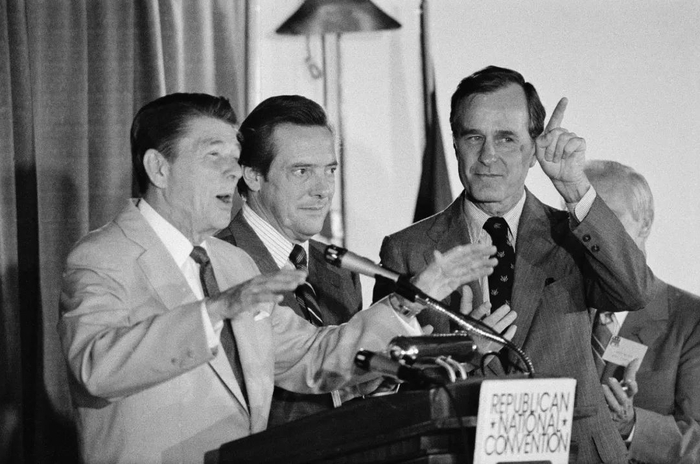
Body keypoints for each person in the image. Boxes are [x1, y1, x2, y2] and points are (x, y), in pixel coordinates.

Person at [58, 92, 498, 464]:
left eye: (234, 158)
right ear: (159, 168)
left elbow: (312, 355)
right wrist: (215, 311)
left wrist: (408, 300)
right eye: (214, 157)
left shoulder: (231, 263)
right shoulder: (102, 256)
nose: (233, 172)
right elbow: (96, 366)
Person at [373, 66, 658, 463]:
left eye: (506, 138)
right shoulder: (408, 250)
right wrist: (463, 350)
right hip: (460, 452)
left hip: (577, 451)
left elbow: (634, 291)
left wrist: (575, 187)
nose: (488, 156)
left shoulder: (572, 235)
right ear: (455, 144)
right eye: (474, 137)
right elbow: (386, 378)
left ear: (533, 148)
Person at [216, 95, 365, 425]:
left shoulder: (340, 269)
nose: (323, 190)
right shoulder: (217, 263)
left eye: (330, 171)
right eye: (302, 171)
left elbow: (344, 383)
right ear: (253, 176)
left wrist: (371, 382)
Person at [585, 160, 700, 464]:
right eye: (582, 219)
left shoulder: (691, 319)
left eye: (609, 218)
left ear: (645, 223)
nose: (593, 234)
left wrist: (632, 426)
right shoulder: (556, 312)